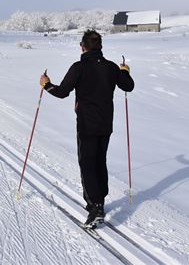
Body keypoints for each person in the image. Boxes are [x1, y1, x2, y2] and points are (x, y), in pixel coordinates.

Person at [39, 30, 134, 228]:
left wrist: (46, 85)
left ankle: (95, 207)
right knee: (100, 160)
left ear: (83, 46)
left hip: (86, 124)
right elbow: (128, 86)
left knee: (87, 163)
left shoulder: (79, 67)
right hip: (106, 124)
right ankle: (99, 200)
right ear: (99, 46)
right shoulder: (110, 67)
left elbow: (62, 92)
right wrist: (124, 70)